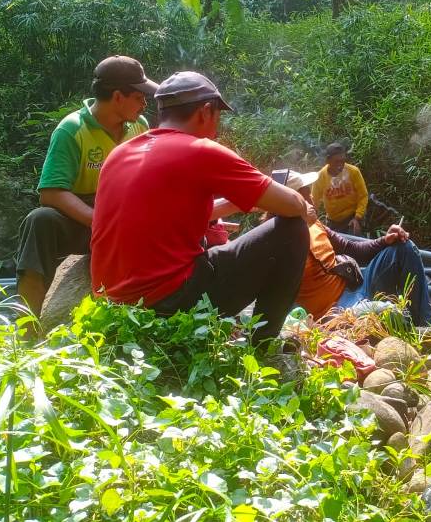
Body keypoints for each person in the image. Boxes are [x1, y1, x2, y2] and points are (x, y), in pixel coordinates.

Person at [90, 71, 315, 345]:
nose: (217, 128)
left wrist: (240, 203)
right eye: (217, 117)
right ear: (206, 111)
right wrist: (301, 207)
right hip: (170, 304)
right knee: (292, 230)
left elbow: (167, 216)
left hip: (114, 306)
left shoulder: (120, 153)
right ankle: (264, 344)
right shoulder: (202, 150)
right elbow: (294, 205)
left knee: (207, 242)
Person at [15, 55, 157, 316]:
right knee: (39, 220)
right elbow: (51, 193)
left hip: (128, 220)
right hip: (85, 219)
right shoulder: (71, 129)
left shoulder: (140, 126)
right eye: (139, 97)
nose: (145, 104)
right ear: (117, 97)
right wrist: (100, 221)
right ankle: (27, 327)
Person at [283, 169, 431, 326]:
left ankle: (427, 326)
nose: (311, 198)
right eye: (303, 194)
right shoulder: (281, 242)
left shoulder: (316, 225)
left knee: (404, 248)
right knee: (390, 313)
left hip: (357, 286)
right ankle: (409, 329)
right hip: (338, 311)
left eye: (309, 192)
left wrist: (385, 240)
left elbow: (351, 248)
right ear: (288, 203)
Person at [311, 142, 368, 236]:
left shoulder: (353, 171)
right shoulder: (321, 176)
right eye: (336, 161)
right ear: (328, 160)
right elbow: (313, 202)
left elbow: (363, 196)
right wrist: (313, 222)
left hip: (352, 217)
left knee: (354, 243)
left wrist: (357, 217)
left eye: (342, 161)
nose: (340, 165)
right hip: (333, 221)